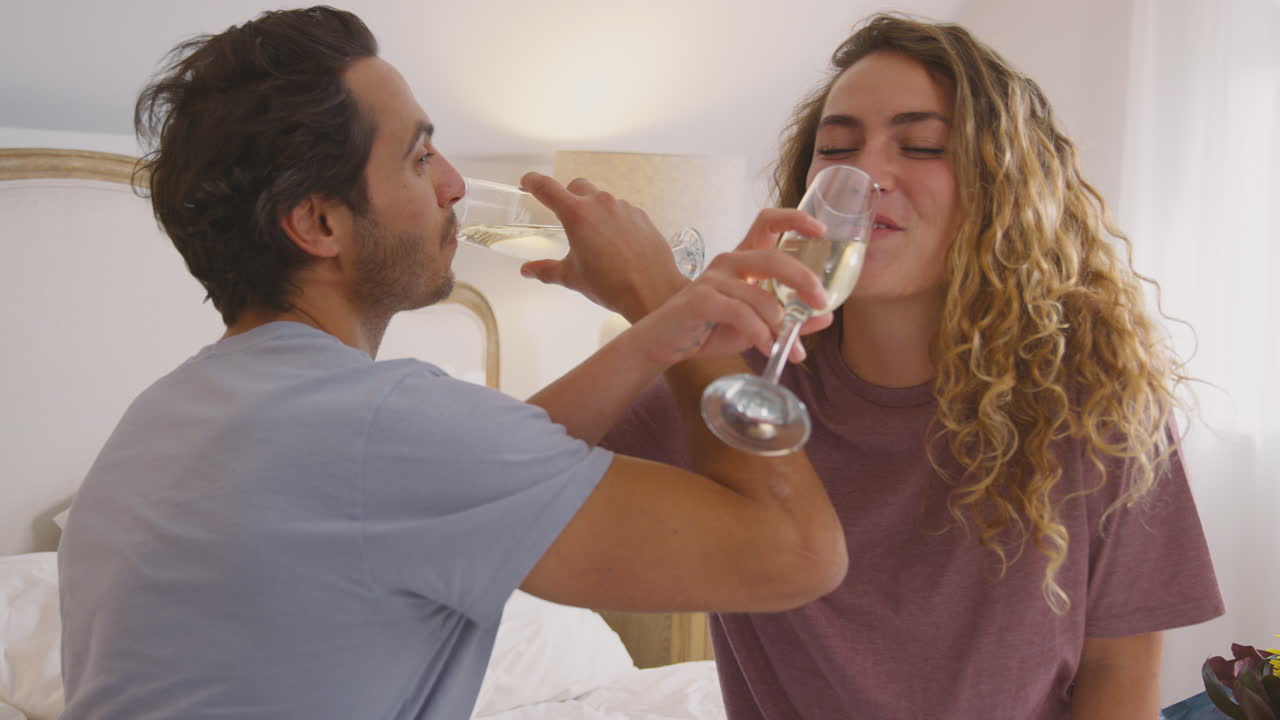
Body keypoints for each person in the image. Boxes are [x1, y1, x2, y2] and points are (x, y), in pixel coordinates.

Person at [55, 6, 852, 719]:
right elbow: (797, 555)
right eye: (418, 158)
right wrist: (653, 288)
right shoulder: (386, 429)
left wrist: (660, 331)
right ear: (319, 223)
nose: (454, 184)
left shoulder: (171, 414)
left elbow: (478, 465)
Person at [545, 12, 1225, 720]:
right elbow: (488, 486)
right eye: (837, 148)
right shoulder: (738, 384)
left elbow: (1119, 669)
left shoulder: (1095, 399)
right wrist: (659, 321)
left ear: (1003, 186)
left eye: (923, 146)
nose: (865, 175)